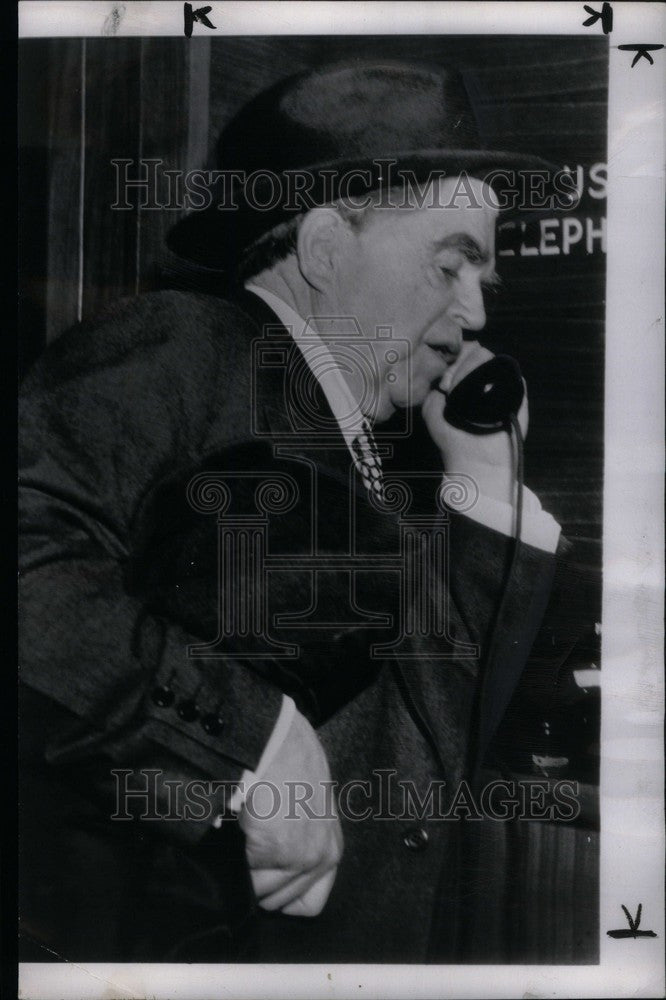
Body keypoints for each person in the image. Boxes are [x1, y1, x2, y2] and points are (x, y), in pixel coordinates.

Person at [19, 62, 580, 964]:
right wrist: (256, 742)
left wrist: (483, 476)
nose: (475, 310)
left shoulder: (361, 447)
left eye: (487, 280)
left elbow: (429, 739)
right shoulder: (184, 346)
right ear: (324, 248)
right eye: (451, 264)